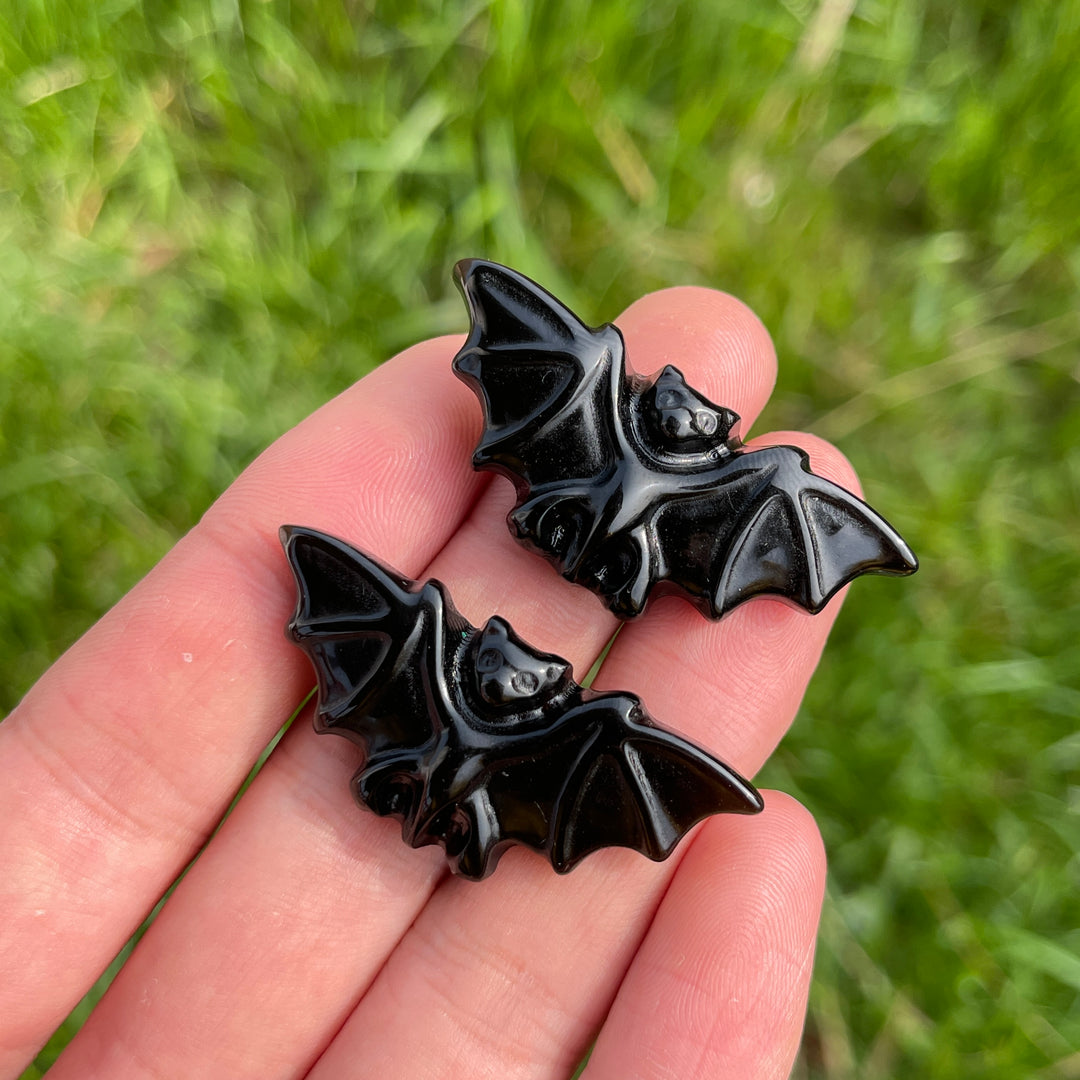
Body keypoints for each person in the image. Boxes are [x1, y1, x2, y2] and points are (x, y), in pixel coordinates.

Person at [0, 283, 855, 1079]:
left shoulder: (731, 503)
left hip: (571, 649)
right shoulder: (587, 401)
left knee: (598, 730)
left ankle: (465, 807)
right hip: (476, 645)